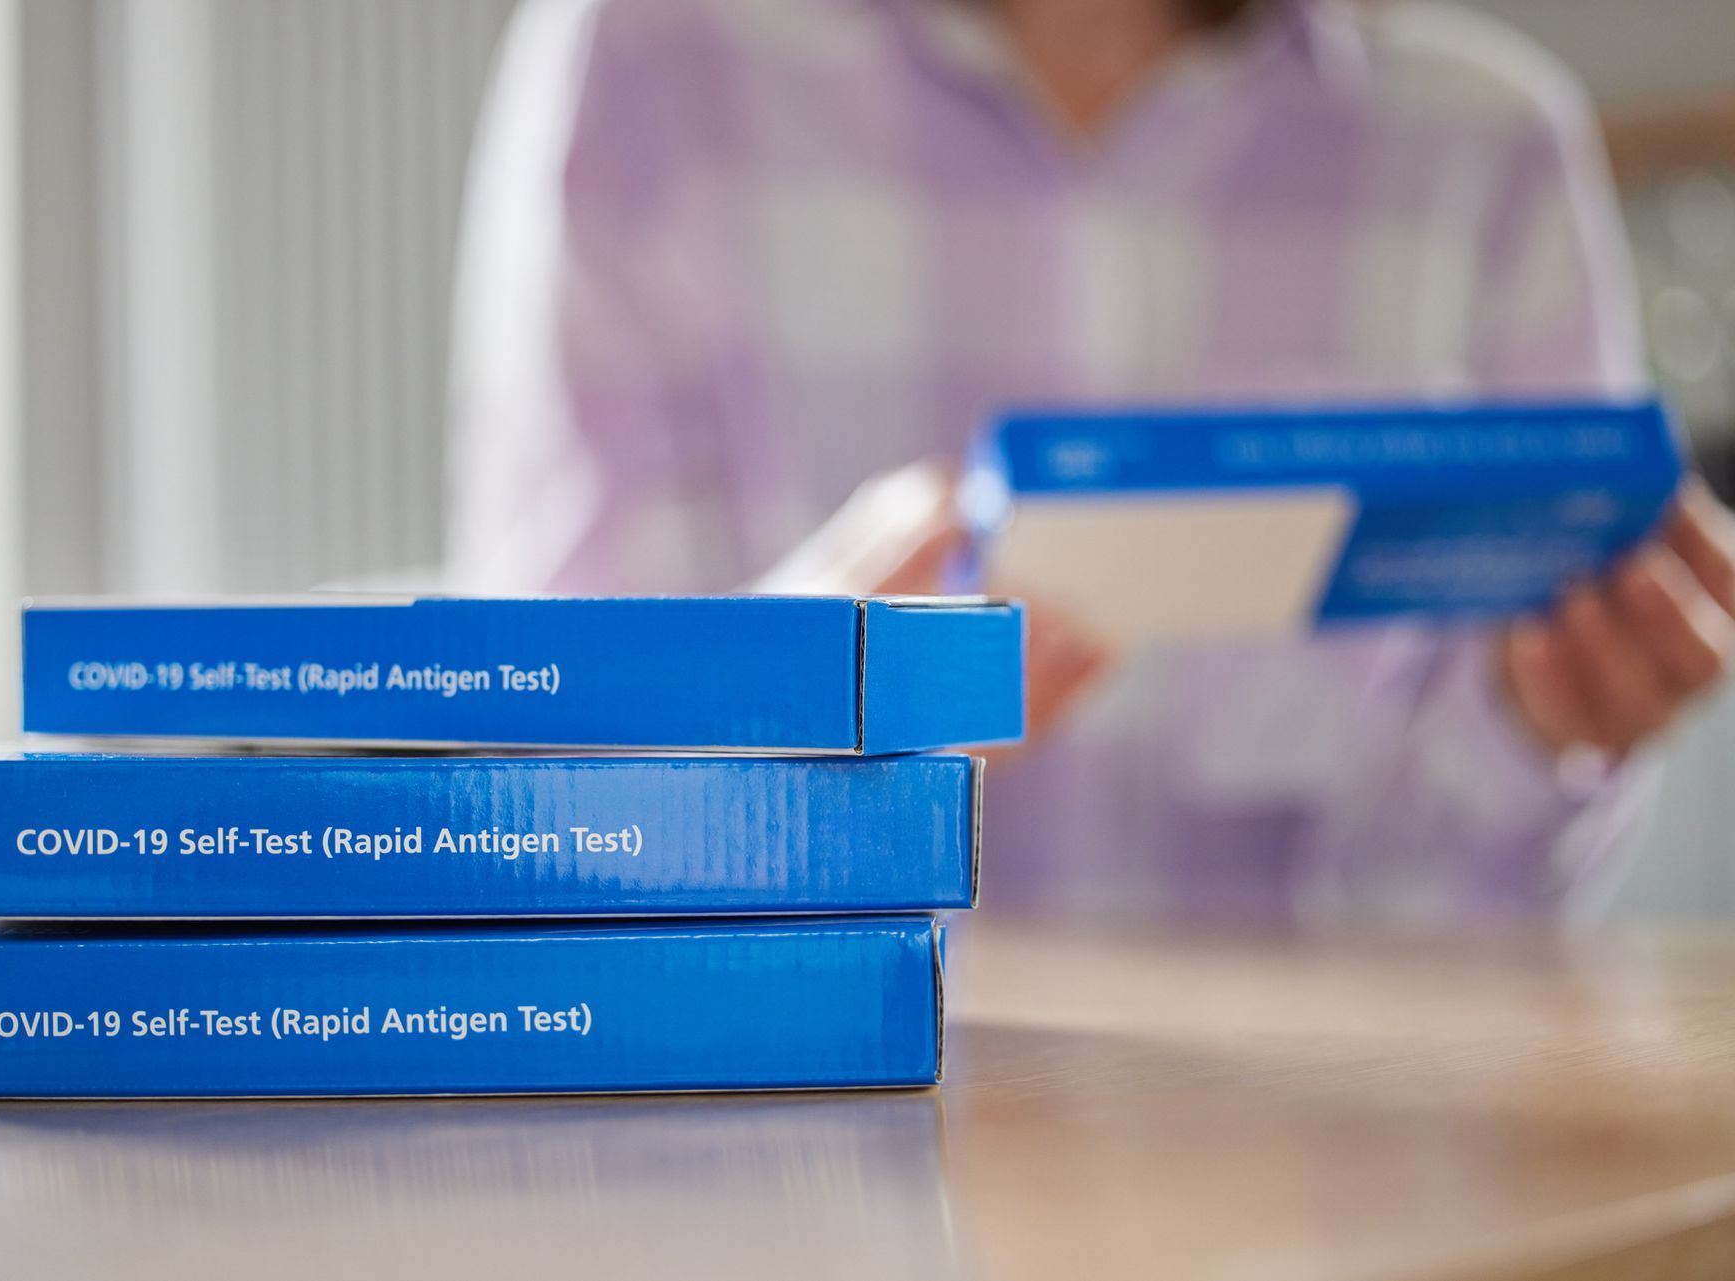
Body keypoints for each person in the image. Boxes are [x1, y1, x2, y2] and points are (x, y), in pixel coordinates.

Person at [445, 0, 1735, 923]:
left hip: (1336, 1168)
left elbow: (1471, 916)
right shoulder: (645, 58)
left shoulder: (1495, 141)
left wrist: (1543, 730)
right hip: (795, 1147)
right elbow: (547, 790)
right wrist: (780, 708)